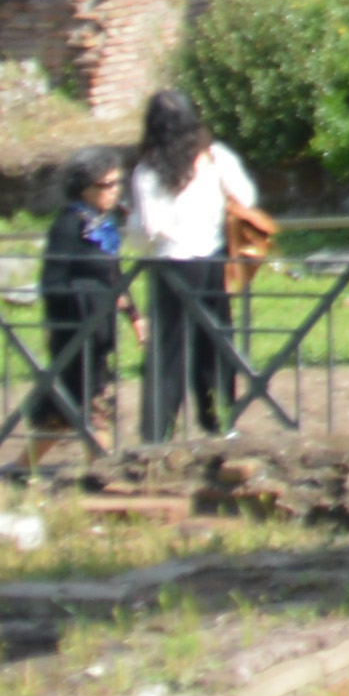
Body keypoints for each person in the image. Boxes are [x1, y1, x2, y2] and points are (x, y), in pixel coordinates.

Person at [125, 91, 263, 442]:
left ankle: (158, 433)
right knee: (215, 344)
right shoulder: (216, 157)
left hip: (172, 265)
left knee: (168, 352)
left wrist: (133, 227)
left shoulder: (148, 172)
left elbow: (151, 228)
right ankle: (220, 423)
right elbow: (245, 198)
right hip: (214, 260)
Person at [24, 157, 127, 455]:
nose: (115, 191)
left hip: (98, 328)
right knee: (86, 399)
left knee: (76, 401)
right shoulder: (68, 225)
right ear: (84, 189)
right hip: (75, 328)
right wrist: (88, 297)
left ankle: (24, 467)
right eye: (107, 185)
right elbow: (52, 282)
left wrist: (134, 316)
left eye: (118, 183)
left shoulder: (104, 225)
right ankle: (103, 470)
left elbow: (114, 274)